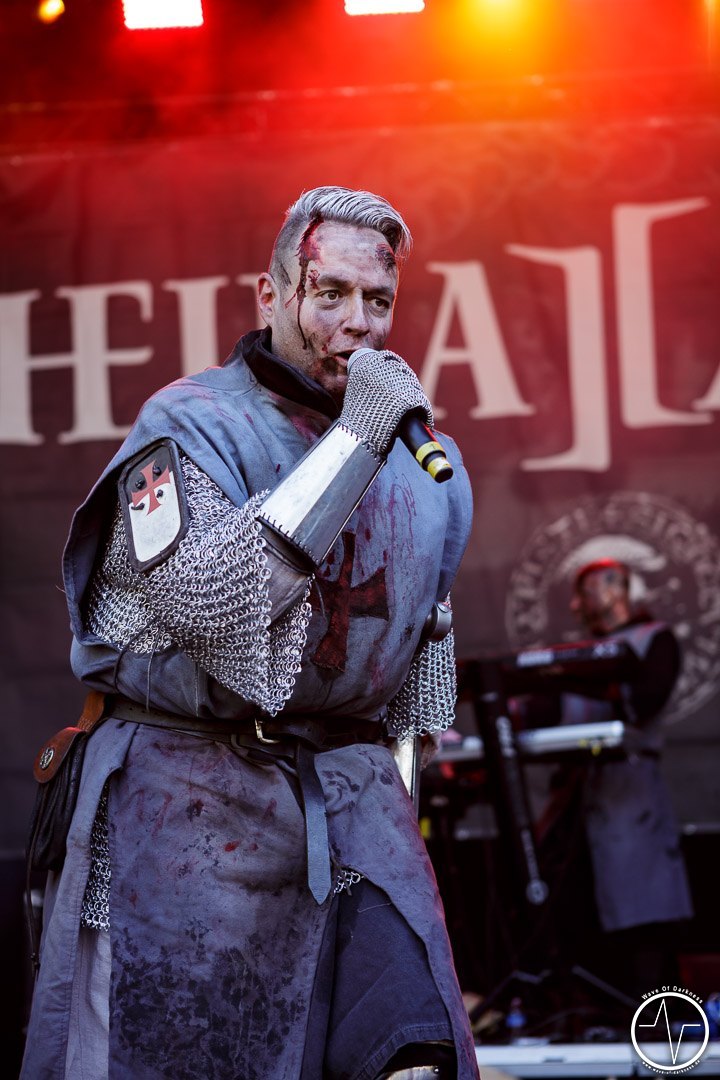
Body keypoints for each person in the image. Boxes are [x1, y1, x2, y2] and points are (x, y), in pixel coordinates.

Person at [21, 186, 478, 1080]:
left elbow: (416, 686)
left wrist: (396, 811)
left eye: (378, 299)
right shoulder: (189, 426)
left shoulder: (430, 463)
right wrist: (356, 440)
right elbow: (213, 602)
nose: (358, 323)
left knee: (413, 1048)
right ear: (271, 295)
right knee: (170, 1058)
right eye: (330, 292)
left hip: (349, 807)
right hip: (182, 807)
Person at [539, 558, 694, 1001]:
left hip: (629, 787)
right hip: (578, 791)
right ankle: (587, 1007)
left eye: (584, 593)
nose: (575, 605)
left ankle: (653, 1011)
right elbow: (542, 712)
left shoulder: (655, 640)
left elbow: (643, 701)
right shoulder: (578, 652)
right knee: (570, 899)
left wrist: (576, 676)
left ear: (614, 590)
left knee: (642, 900)